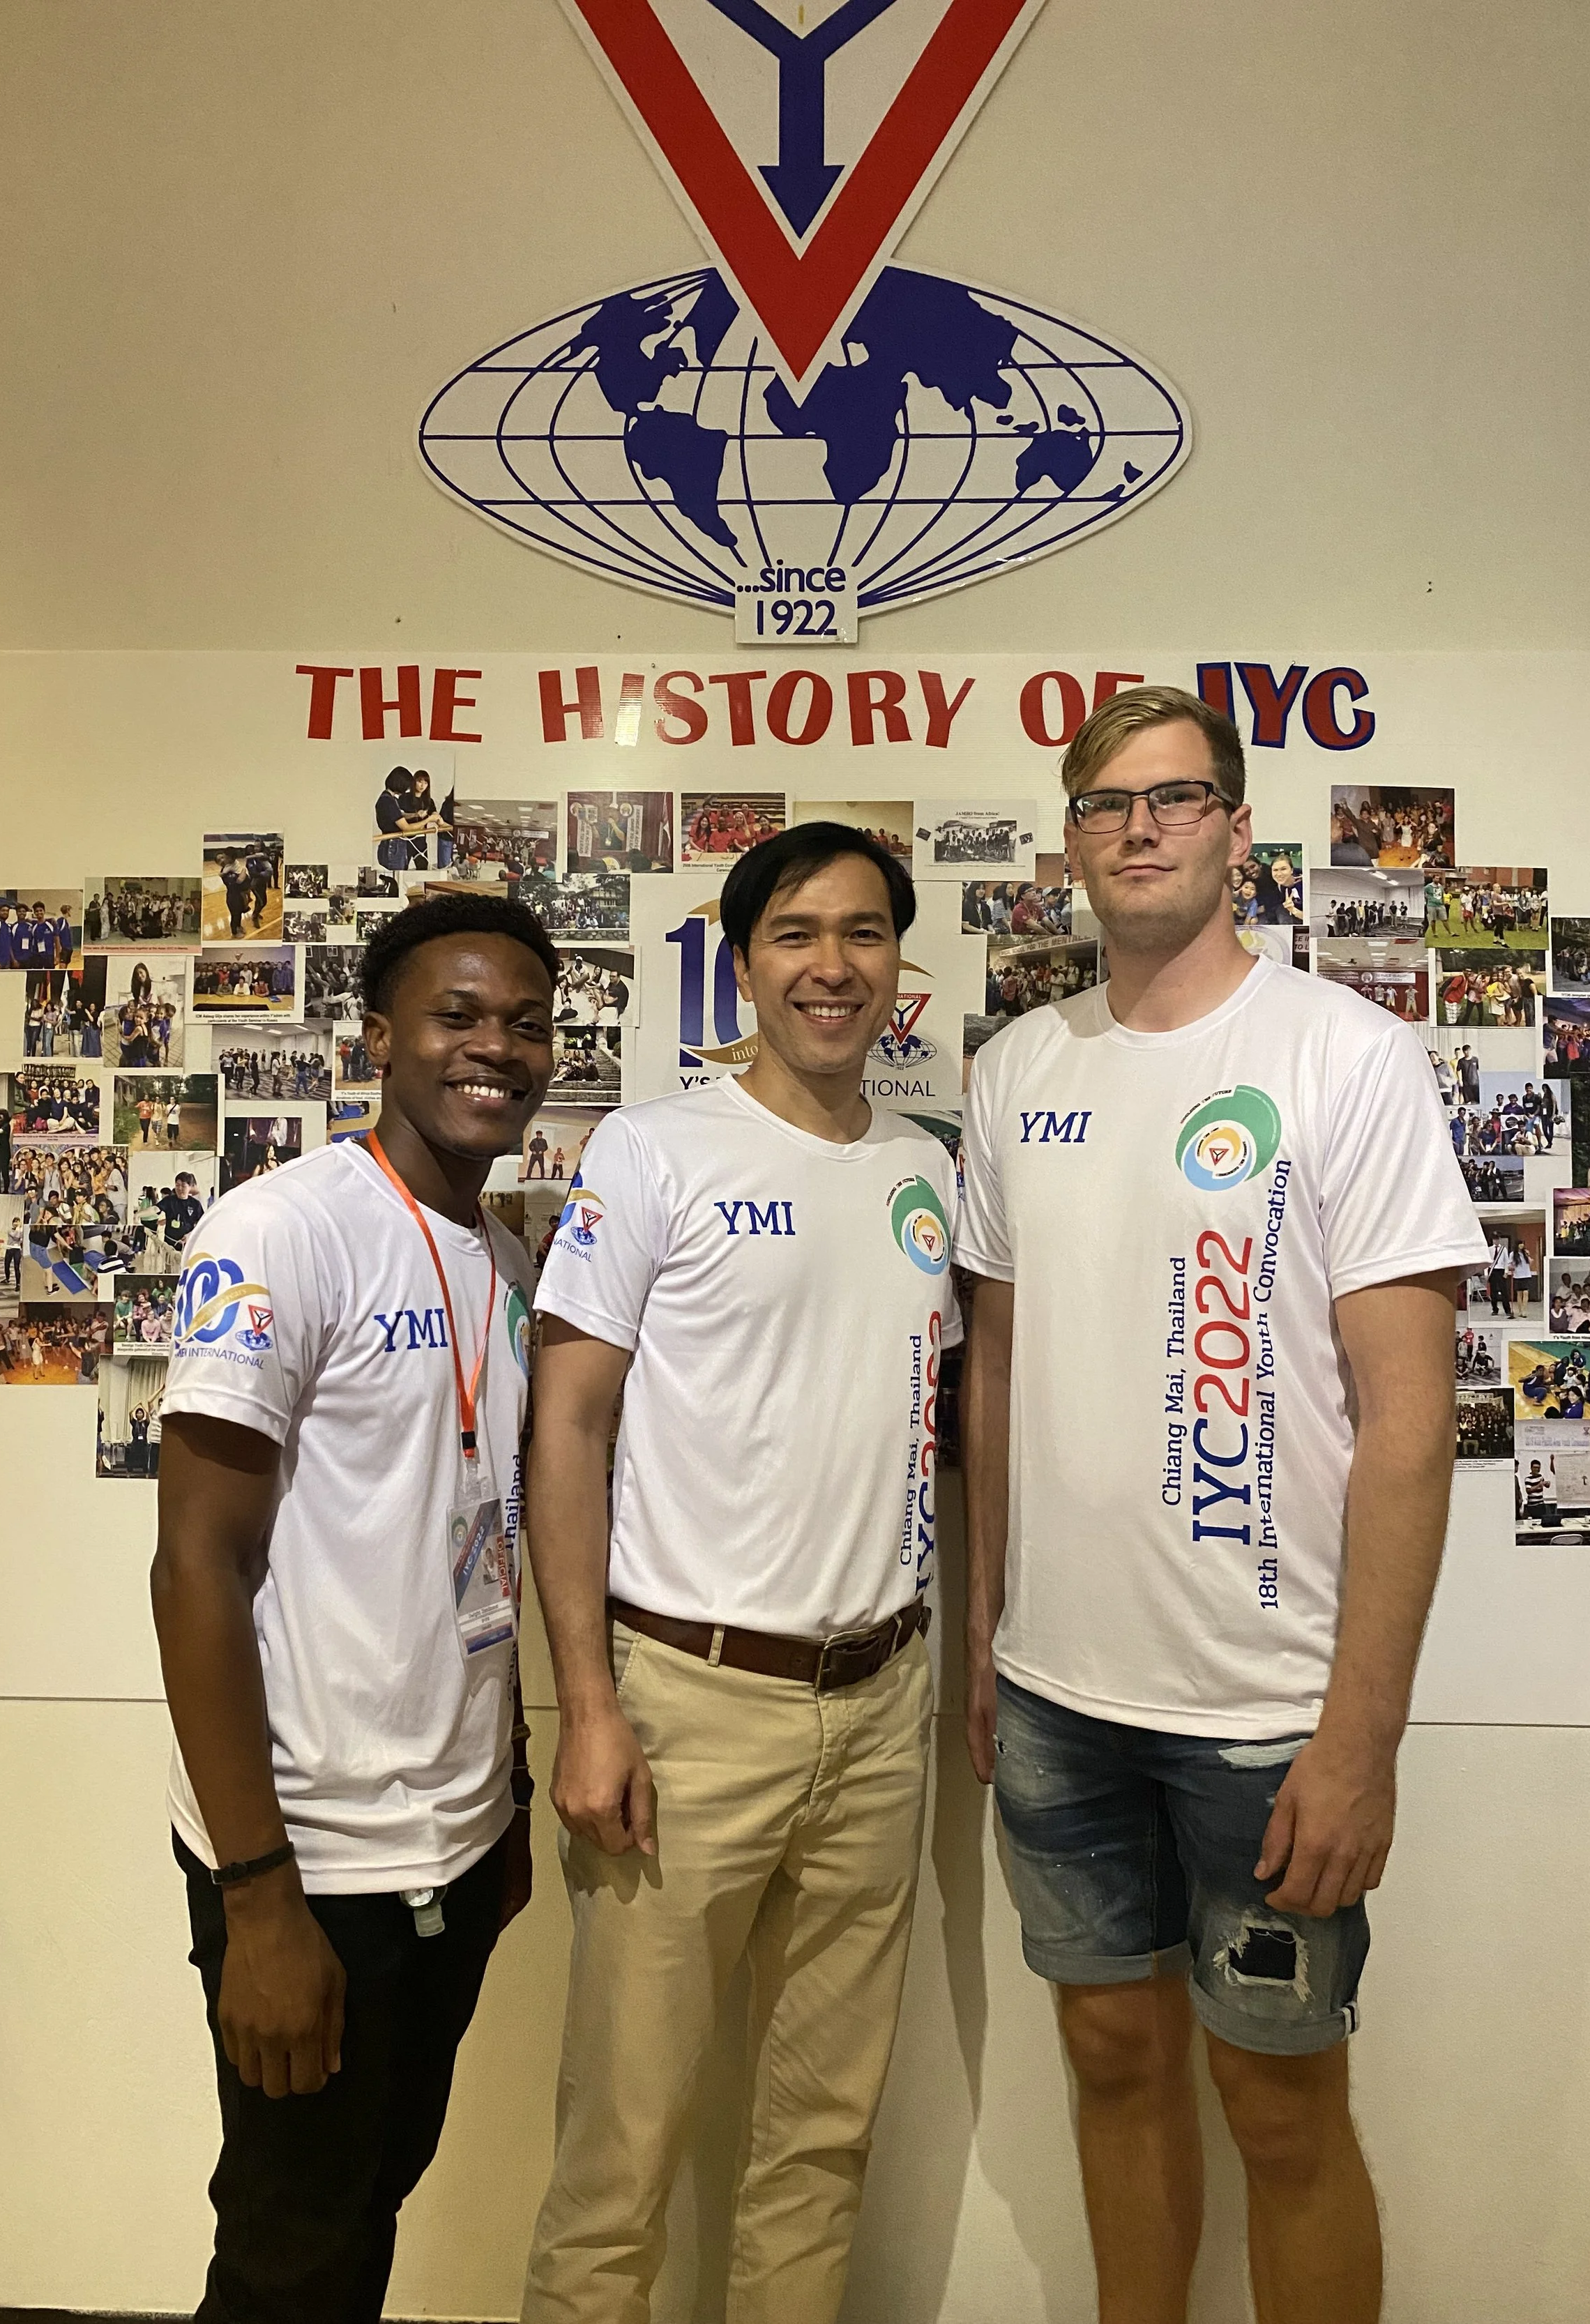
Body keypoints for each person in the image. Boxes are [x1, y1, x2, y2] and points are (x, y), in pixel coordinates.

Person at [959, 686, 1487, 2324]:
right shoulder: (1012, 1072)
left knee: (1277, 2107)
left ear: (1232, 832)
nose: (1138, 828)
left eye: (1175, 799)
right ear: (1069, 841)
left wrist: (1359, 1738)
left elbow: (1408, 1423)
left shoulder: (1344, 1056)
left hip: (1268, 1722)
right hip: (1053, 1704)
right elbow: (988, 1373)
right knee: (1109, 2064)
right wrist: (984, 1637)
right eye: (1107, 803)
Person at [522, 824, 960, 2324]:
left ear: (896, 965)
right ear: (741, 954)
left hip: (879, 1703)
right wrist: (585, 1703)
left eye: (860, 934)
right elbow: (566, 1428)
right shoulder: (654, 1150)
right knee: (620, 2152)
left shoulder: (923, 1173)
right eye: (793, 934)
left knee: (817, 2144)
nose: (829, 966)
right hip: (688, 1706)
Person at [151, 891, 558, 2323]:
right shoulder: (277, 1230)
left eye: (523, 1021)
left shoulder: (503, 1262)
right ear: (377, 1036)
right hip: (310, 1862)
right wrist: (258, 1899)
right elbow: (194, 1565)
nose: (493, 1046)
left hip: (448, 1841)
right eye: (456, 1016)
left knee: (364, 2197)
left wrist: (499, 1793)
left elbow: (474, 1543)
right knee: (287, 2242)